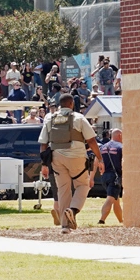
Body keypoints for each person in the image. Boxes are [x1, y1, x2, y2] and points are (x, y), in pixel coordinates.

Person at [39, 93, 102, 233]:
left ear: (60, 105)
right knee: (83, 185)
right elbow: (91, 141)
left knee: (63, 189)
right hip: (77, 158)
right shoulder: (79, 118)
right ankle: (72, 210)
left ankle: (65, 226)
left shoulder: (50, 118)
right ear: (71, 104)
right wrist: (100, 158)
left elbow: (43, 143)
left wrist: (44, 164)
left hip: (56, 158)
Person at [98, 128, 124, 225]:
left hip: (104, 176)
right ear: (120, 135)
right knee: (110, 199)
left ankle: (121, 221)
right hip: (115, 177)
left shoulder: (102, 147)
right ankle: (101, 220)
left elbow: (97, 161)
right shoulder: (121, 147)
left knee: (115, 200)